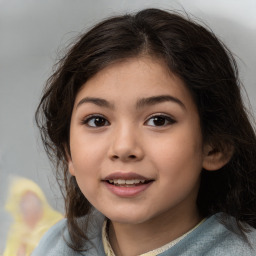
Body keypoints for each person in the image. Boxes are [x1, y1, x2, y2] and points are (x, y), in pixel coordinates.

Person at [32, 8, 256, 256]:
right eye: (97, 121)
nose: (124, 147)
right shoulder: (56, 244)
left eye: (159, 120)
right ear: (69, 152)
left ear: (215, 146)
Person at [3, 177, 63, 256]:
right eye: (24, 201)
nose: (29, 205)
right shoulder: (17, 233)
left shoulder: (57, 224)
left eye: (32, 199)